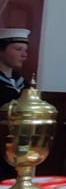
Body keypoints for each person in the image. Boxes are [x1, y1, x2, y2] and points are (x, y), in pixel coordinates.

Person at [0, 28, 30, 180]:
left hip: (17, 145)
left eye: (25, 50)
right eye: (18, 49)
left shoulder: (23, 83)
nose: (24, 55)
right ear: (1, 51)